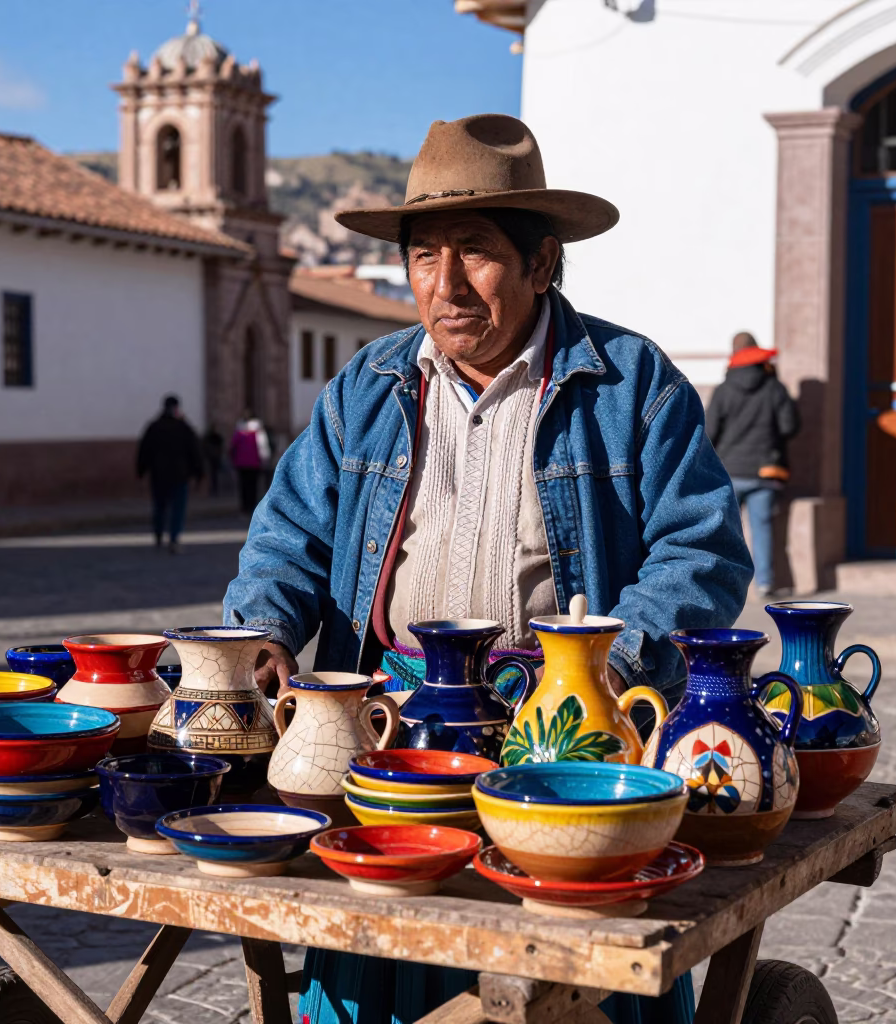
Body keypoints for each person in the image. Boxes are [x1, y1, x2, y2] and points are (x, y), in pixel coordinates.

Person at [223, 115, 751, 1024]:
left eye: (475, 251)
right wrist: (262, 629)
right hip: (393, 741)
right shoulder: (368, 386)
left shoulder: (629, 384)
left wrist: (609, 668)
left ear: (542, 263)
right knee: (383, 954)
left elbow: (701, 548)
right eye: (425, 256)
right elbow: (288, 537)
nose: (446, 283)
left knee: (570, 970)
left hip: (559, 738)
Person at [706, 333, 799, 598]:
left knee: (725, 532)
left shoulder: (723, 390)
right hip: (765, 472)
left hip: (729, 472)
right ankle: (765, 584)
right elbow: (789, 426)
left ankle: (722, 587)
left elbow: (710, 432)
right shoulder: (774, 388)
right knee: (763, 529)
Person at [136, 395, 203, 553]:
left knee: (160, 507)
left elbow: (144, 450)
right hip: (179, 475)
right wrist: (198, 473)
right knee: (177, 509)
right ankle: (173, 539)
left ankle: (158, 535)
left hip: (158, 475)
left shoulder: (154, 427)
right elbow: (194, 451)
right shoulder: (183, 427)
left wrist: (141, 471)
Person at [229, 410, 270, 515]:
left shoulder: (239, 432)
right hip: (254, 463)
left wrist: (233, 459)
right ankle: (252, 506)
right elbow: (262, 446)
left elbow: (233, 446)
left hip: (241, 463)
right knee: (253, 486)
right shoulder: (258, 431)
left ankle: (244, 506)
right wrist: (265, 459)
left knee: (243, 485)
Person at [202, 423, 225, 497]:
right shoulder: (214, 437)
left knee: (213, 474)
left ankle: (213, 489)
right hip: (213, 457)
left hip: (212, 457)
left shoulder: (210, 437)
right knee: (214, 474)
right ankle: (214, 489)